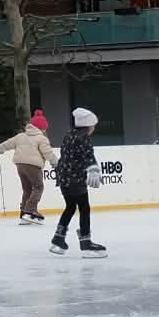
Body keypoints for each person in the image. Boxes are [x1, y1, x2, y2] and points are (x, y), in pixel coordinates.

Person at [49, 107, 107, 256]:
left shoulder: (69, 135)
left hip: (64, 178)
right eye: (93, 125)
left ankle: (58, 238)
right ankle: (86, 243)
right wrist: (93, 169)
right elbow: (88, 156)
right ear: (88, 126)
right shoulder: (84, 138)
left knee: (70, 207)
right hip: (75, 179)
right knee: (84, 208)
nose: (94, 128)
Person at [0, 111, 54, 223]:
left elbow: (8, 143)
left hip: (20, 165)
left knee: (27, 189)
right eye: (44, 129)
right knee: (38, 187)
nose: (45, 131)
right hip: (33, 166)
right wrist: (56, 163)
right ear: (42, 128)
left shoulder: (21, 136)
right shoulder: (42, 138)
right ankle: (29, 211)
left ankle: (24, 214)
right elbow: (48, 153)